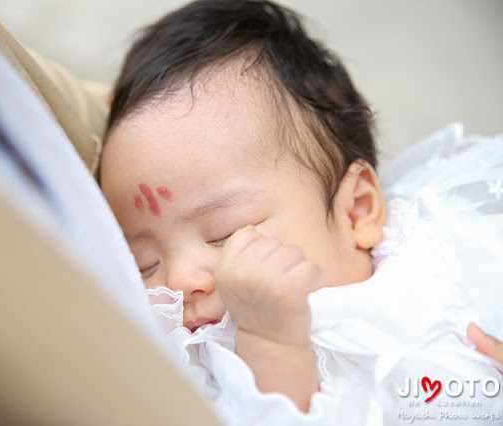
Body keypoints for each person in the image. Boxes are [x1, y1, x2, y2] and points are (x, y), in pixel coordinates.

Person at [99, 0, 503, 424]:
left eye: (225, 232)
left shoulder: (453, 253)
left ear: (356, 212)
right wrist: (271, 345)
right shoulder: (197, 363)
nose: (180, 281)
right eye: (144, 264)